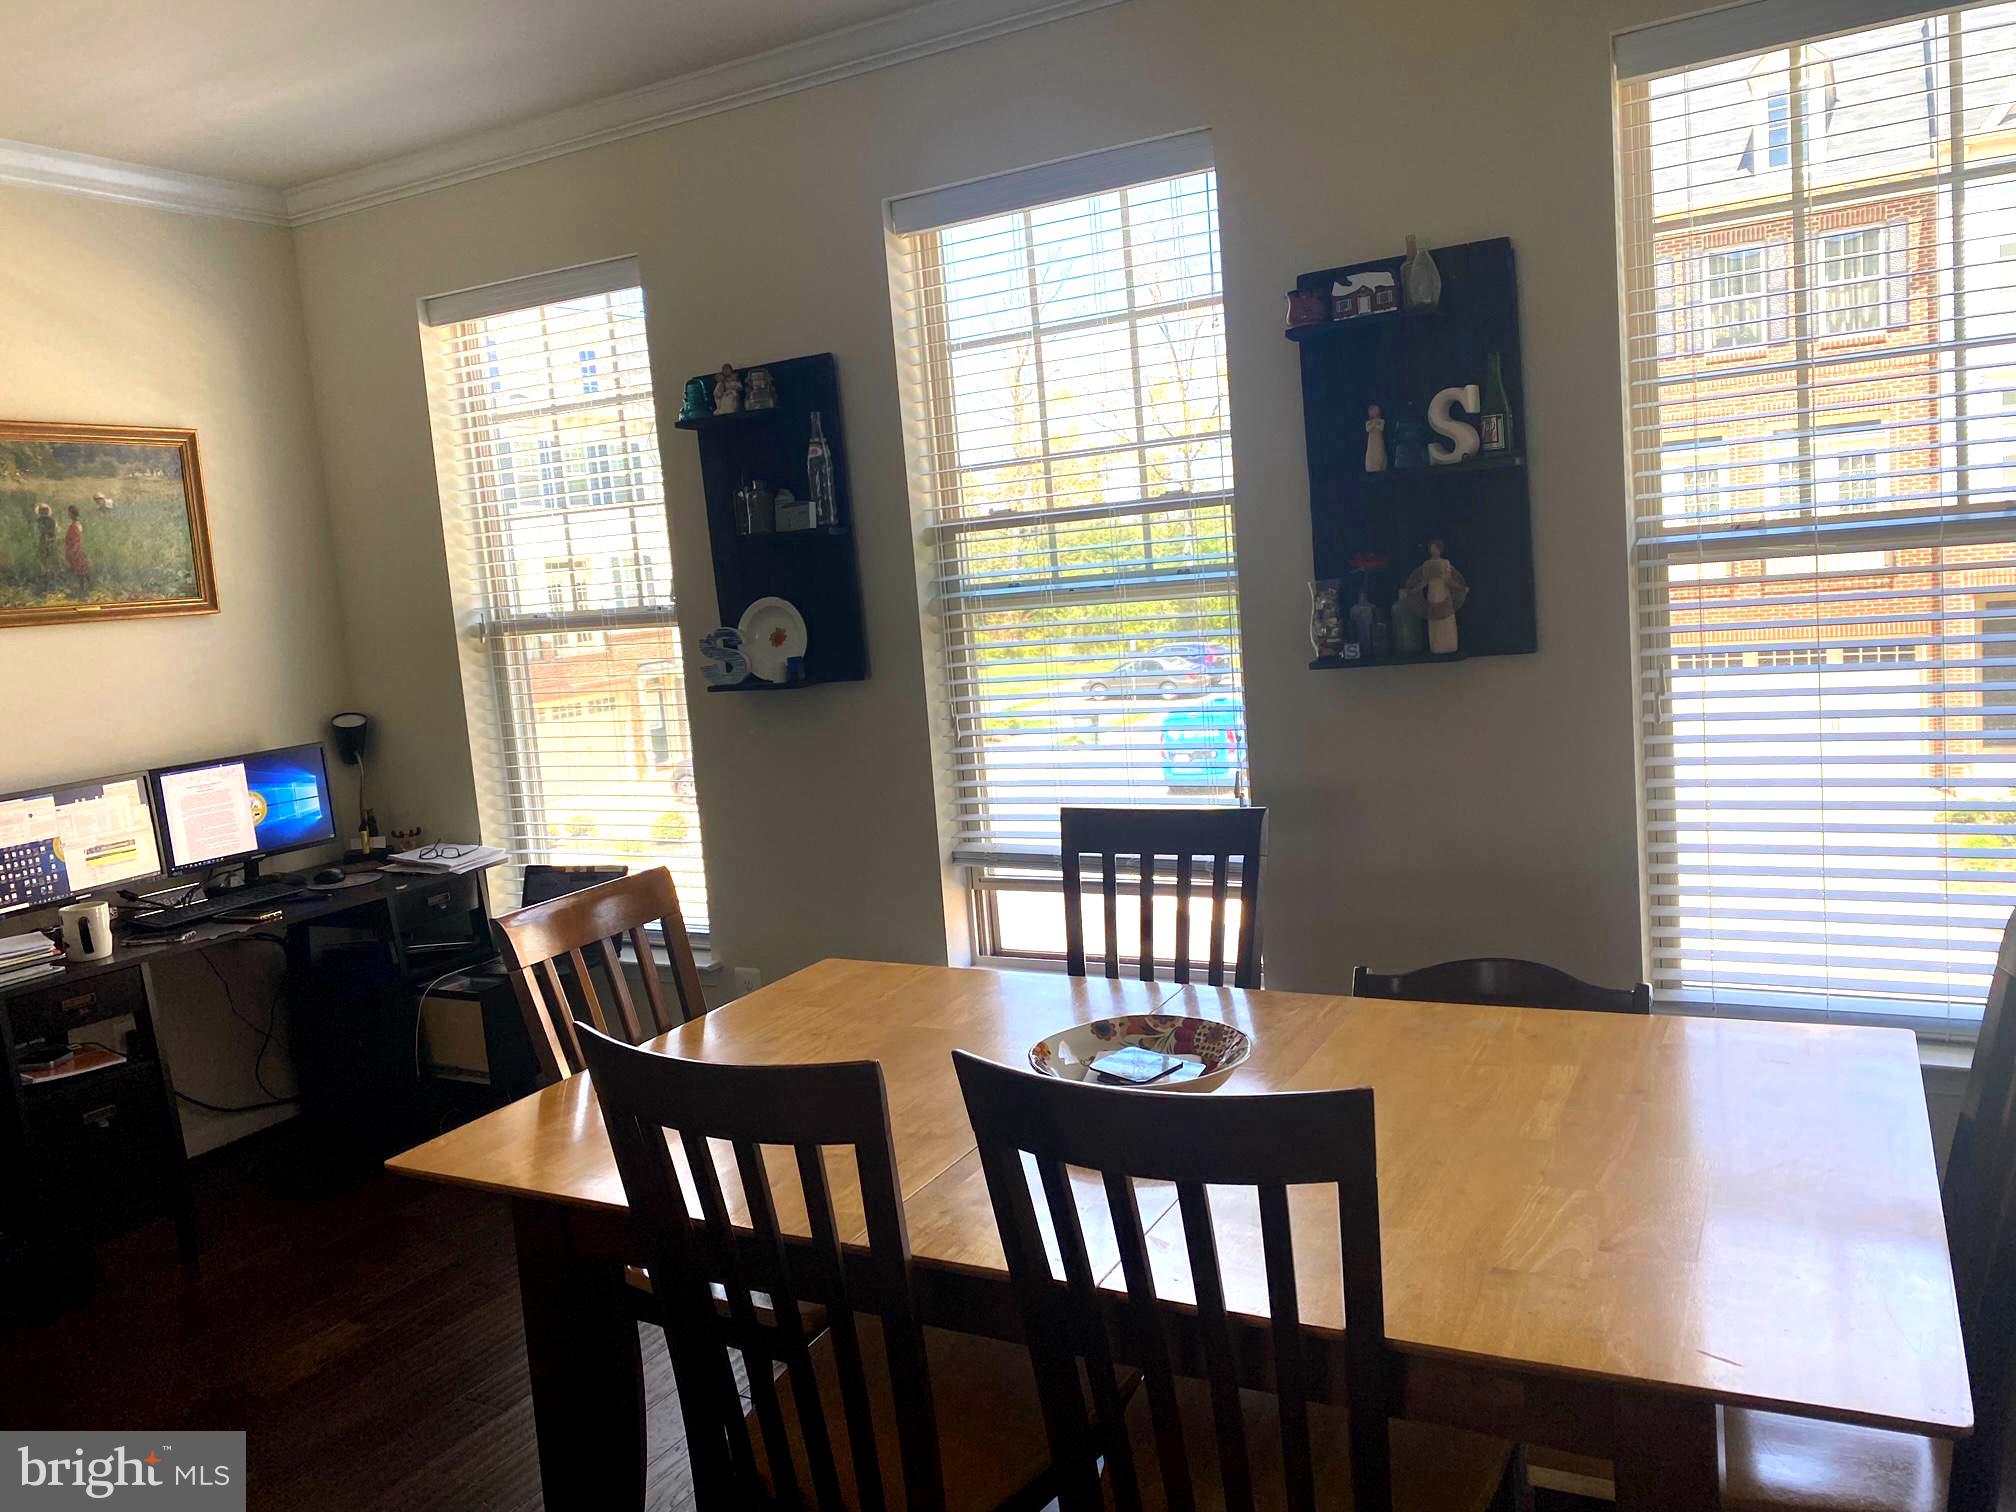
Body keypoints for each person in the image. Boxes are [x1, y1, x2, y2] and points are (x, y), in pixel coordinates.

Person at [63, 504, 93, 595]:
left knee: (80, 568)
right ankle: (89, 586)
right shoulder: (78, 524)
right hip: (78, 547)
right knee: (83, 568)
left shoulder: (74, 525)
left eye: (69, 513)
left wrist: (72, 548)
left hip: (76, 548)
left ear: (73, 514)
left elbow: (74, 538)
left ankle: (83, 588)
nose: (68, 515)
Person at [33, 502, 57, 580]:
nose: (43, 512)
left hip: (50, 540)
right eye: (42, 510)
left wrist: (49, 535)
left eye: (45, 510)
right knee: (43, 557)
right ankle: (44, 572)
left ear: (48, 511)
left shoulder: (51, 520)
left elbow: (53, 531)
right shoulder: (38, 521)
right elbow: (37, 531)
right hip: (42, 540)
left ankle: (49, 573)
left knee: (50, 556)